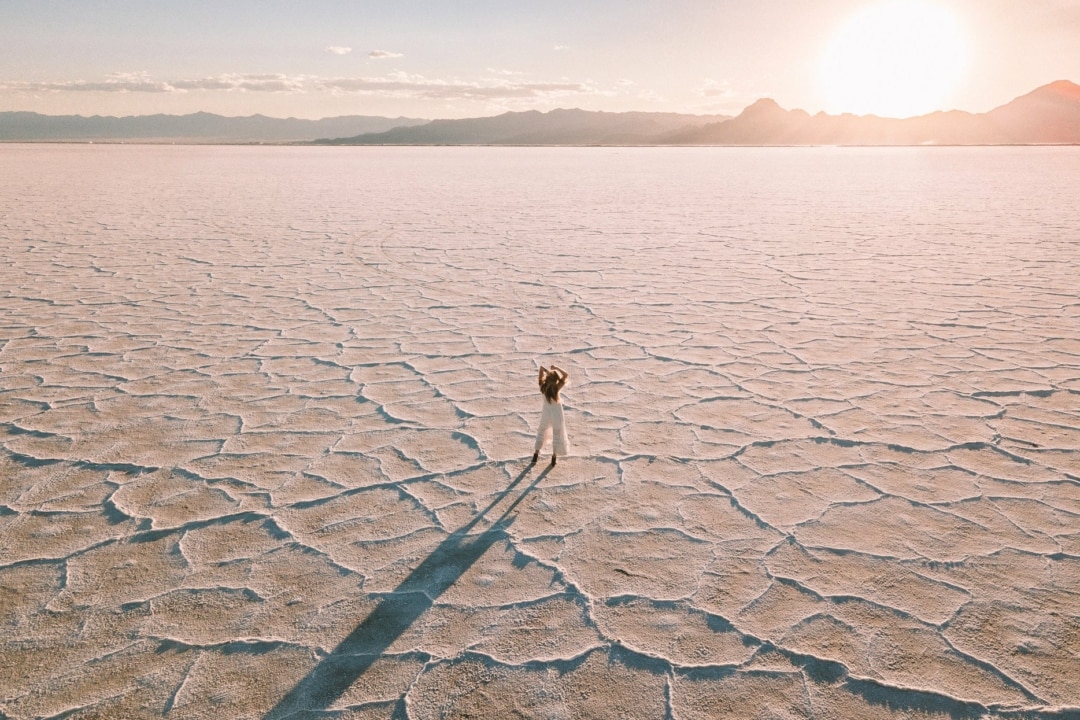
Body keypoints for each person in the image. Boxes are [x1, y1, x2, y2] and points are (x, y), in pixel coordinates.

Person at [533, 365, 570, 465]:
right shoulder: (556, 388)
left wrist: (544, 370)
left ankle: (536, 454)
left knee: (542, 429)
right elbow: (566, 375)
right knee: (557, 432)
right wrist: (557, 368)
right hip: (556, 412)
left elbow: (540, 374)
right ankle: (554, 457)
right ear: (556, 380)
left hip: (546, 412)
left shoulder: (543, 387)